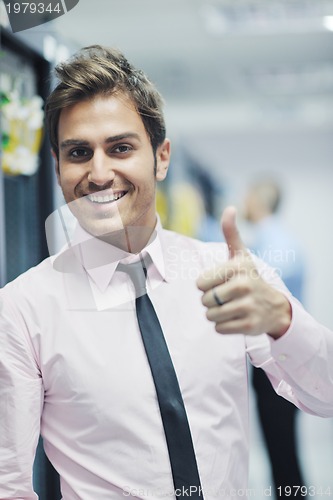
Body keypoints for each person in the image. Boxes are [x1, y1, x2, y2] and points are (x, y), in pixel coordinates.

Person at [0, 45, 332, 500]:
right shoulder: (23, 310)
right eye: (79, 152)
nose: (99, 174)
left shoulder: (228, 273)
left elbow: (326, 396)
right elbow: (8, 483)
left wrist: (284, 323)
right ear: (58, 168)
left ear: (161, 157)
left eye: (120, 148)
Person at [243, 180, 307, 498]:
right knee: (279, 445)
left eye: (247, 195)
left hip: (279, 360)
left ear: (258, 200)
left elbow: (259, 296)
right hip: (279, 359)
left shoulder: (275, 244)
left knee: (281, 446)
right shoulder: (273, 240)